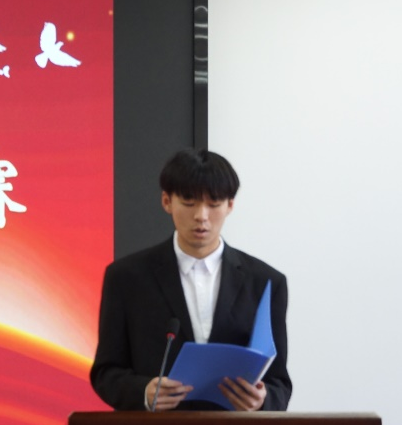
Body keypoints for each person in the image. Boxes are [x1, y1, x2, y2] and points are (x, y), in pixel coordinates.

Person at [89, 149, 291, 411]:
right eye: (189, 202)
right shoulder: (126, 278)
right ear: (167, 201)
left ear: (230, 205)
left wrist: (262, 400)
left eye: (214, 204)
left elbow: (279, 383)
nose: (201, 216)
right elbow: (106, 372)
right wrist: (143, 392)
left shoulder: (265, 282)